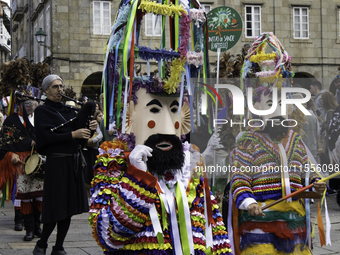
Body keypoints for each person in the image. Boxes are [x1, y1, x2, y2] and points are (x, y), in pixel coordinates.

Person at [230, 32, 327, 255]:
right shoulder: (248, 141)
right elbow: (239, 179)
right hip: (261, 220)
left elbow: (309, 173)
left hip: (294, 221)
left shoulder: (296, 140)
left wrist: (317, 183)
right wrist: (248, 202)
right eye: (271, 103)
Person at [33, 74, 97, 255]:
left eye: (60, 86)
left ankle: (59, 246)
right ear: (46, 90)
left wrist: (88, 128)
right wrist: (72, 135)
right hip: (56, 164)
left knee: (68, 208)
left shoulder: (70, 111)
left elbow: (80, 143)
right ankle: (42, 243)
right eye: (54, 87)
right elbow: (44, 139)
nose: (59, 90)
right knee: (56, 207)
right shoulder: (42, 111)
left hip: (73, 164)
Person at [0, 89, 44, 241]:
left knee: (39, 197)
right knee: (25, 197)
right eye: (26, 103)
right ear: (19, 104)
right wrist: (10, 155)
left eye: (31, 103)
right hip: (21, 163)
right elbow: (4, 143)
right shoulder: (10, 121)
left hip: (39, 161)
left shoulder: (39, 118)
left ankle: (38, 228)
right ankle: (29, 230)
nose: (30, 106)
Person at [83, 110, 103, 201]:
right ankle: (87, 198)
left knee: (93, 173)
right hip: (85, 152)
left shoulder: (94, 123)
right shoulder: (81, 123)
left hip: (93, 151)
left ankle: (93, 197)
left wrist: (92, 141)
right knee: (86, 174)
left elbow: (100, 135)